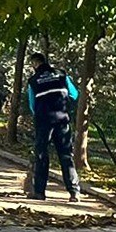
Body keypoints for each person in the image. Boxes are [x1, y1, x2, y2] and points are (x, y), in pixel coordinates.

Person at [26, 53, 82, 202]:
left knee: (41, 155)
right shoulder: (62, 75)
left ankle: (39, 192)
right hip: (62, 120)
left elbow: (32, 105)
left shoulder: (33, 81)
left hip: (44, 121)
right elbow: (75, 95)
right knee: (65, 155)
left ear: (34, 64)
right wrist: (64, 107)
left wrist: (41, 113)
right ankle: (74, 192)